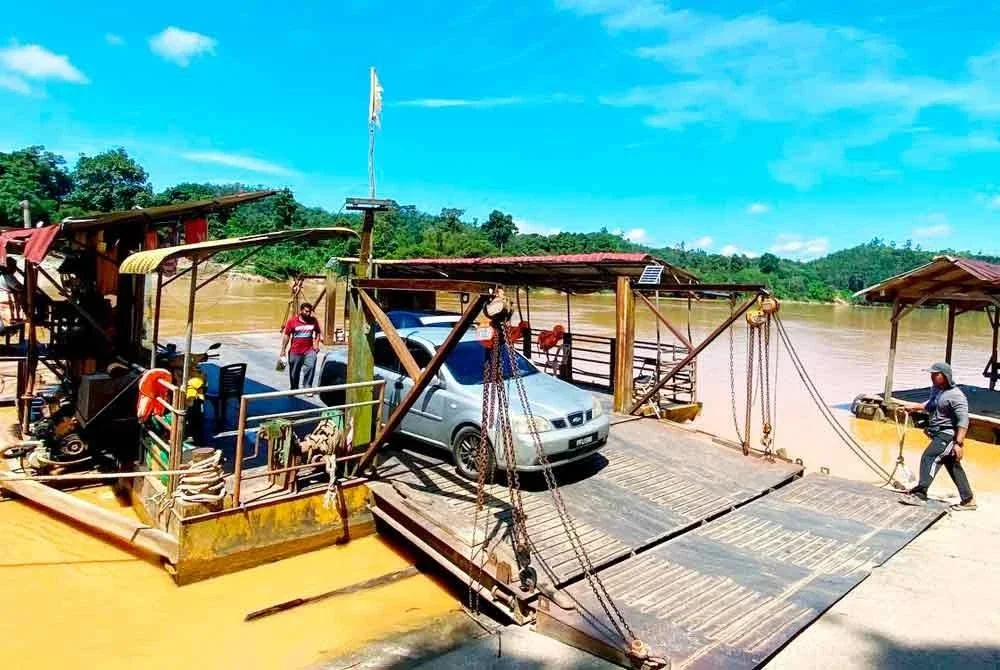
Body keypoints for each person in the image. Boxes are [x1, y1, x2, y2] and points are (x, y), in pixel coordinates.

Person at [901, 362, 976, 511]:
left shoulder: (956, 396)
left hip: (947, 435)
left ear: (945, 376)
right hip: (937, 433)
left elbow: (963, 421)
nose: (932, 377)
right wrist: (913, 407)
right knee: (952, 465)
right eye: (931, 374)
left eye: (935, 374)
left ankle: (921, 493)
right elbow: (931, 404)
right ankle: (968, 500)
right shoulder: (937, 390)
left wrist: (958, 444)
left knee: (929, 457)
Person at [279, 302, 321, 390]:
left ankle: (307, 386)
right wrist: (283, 350)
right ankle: (294, 388)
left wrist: (316, 344)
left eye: (310, 312)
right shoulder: (292, 321)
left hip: (309, 350)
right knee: (294, 373)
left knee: (311, 366)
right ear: (301, 310)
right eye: (306, 311)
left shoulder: (313, 321)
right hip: (295, 351)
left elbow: (317, 332)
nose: (308, 313)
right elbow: (287, 336)